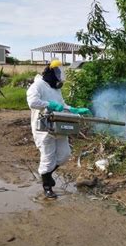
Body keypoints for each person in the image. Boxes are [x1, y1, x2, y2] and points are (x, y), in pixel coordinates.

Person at [26, 60, 90, 198]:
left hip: (58, 125)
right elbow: (32, 102)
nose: (59, 75)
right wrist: (49, 105)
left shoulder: (55, 88)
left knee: (64, 155)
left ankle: (47, 175)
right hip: (43, 128)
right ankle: (47, 187)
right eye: (58, 72)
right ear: (51, 72)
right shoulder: (37, 86)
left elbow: (61, 105)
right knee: (48, 157)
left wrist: (73, 109)